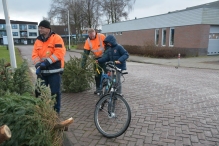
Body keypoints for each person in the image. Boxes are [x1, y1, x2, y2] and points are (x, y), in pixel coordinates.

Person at [32, 20, 66, 114]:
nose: (40, 29)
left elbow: (59, 53)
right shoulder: (38, 40)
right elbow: (34, 55)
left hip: (54, 71)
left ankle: (56, 112)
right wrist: (38, 65)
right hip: (42, 72)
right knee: (39, 92)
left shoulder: (57, 38)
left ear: (48, 29)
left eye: (42, 28)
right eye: (39, 28)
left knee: (55, 92)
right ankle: (41, 111)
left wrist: (46, 63)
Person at [81, 28, 106, 94]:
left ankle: (108, 88)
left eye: (93, 35)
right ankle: (98, 88)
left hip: (105, 58)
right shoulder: (88, 41)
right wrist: (82, 65)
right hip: (97, 60)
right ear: (88, 35)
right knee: (97, 74)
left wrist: (107, 56)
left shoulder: (101, 36)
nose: (92, 37)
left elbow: (108, 47)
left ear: (95, 32)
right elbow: (85, 54)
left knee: (107, 72)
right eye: (90, 36)